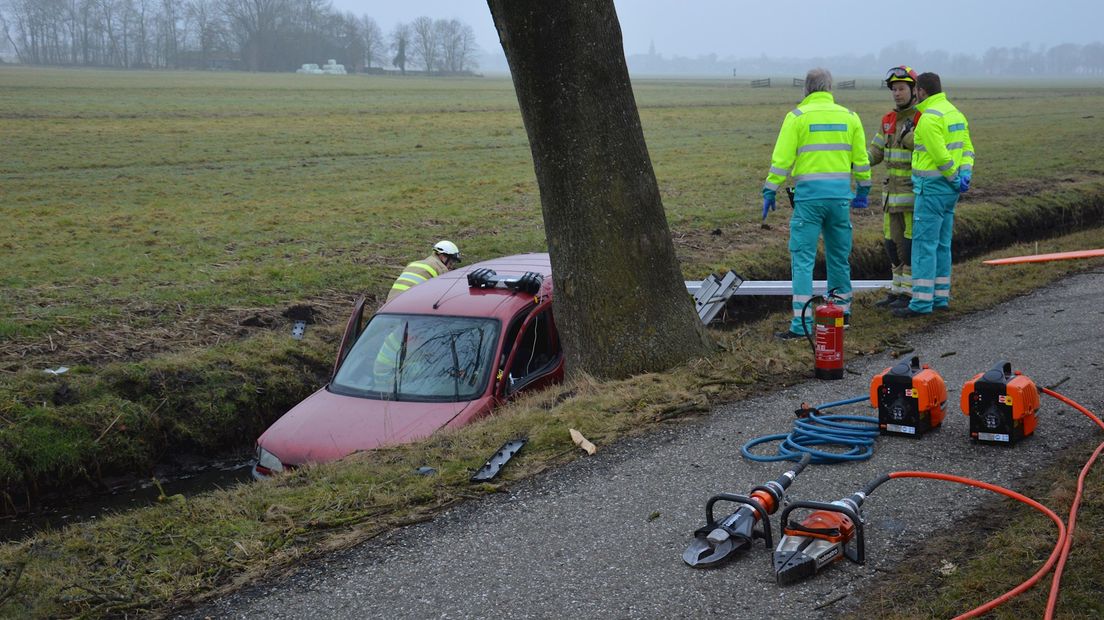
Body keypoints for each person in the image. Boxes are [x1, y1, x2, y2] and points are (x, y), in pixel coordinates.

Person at [761, 68, 871, 339]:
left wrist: (769, 190)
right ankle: (841, 314)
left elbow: (782, 160)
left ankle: (801, 324)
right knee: (838, 257)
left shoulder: (796, 118)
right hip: (840, 200)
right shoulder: (850, 117)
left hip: (808, 200)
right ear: (830, 88)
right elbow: (861, 160)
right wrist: (864, 189)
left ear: (806, 89)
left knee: (802, 259)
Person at [893, 72, 975, 318]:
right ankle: (940, 297)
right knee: (942, 244)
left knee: (923, 246)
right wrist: (964, 175)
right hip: (950, 193)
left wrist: (952, 177)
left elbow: (940, 156)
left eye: (915, 90)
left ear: (921, 91)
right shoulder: (954, 113)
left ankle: (920, 303)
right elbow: (968, 148)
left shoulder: (928, 118)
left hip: (931, 190)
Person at [868, 65, 921, 309]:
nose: (897, 94)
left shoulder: (922, 119)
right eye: (894, 90)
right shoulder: (887, 120)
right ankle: (896, 290)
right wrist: (852, 160)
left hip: (911, 194)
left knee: (908, 246)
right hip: (890, 197)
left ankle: (908, 294)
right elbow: (875, 152)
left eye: (901, 89)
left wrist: (908, 137)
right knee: (891, 244)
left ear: (914, 91)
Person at [386, 240, 462, 302]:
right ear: (443, 257)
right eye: (451, 262)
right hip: (409, 306)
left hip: (389, 305)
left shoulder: (414, 264)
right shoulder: (440, 269)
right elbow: (445, 297)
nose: (451, 266)